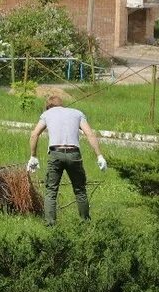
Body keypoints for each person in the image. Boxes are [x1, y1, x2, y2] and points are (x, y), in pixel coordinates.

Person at [26, 93, 107, 226]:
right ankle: (85, 223)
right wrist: (99, 155)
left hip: (55, 154)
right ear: (61, 104)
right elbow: (89, 134)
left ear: (48, 107)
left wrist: (33, 156)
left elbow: (34, 134)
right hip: (74, 154)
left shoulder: (47, 114)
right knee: (80, 190)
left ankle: (50, 225)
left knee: (51, 191)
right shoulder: (77, 113)